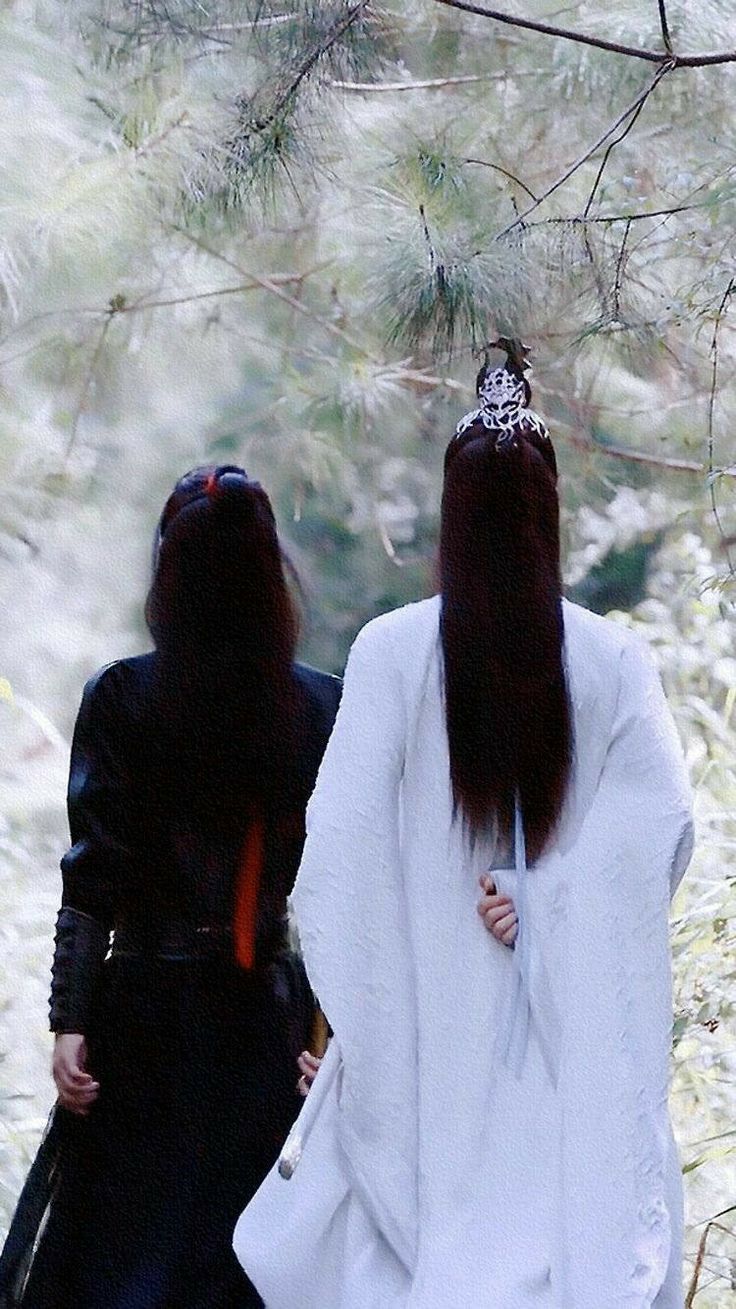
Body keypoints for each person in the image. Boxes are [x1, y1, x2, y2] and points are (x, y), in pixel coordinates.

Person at [233, 344, 695, 1308]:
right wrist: (557, 904)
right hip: (559, 1036)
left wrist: (371, 1006)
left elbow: (340, 857)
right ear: (550, 516)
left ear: (452, 516)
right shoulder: (614, 660)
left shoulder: (391, 652)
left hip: (429, 1032)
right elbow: (663, 831)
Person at [0, 465, 341, 1309]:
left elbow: (93, 877)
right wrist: (334, 1038)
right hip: (267, 1022)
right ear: (272, 571)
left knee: (130, 1261)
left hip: (145, 1016)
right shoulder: (320, 706)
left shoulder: (122, 696)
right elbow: (342, 893)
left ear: (169, 570)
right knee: (238, 1266)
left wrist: (71, 1019)